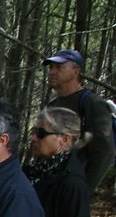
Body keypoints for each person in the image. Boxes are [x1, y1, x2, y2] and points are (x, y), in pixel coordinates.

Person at [44, 49, 115, 193]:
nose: (52, 71)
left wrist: (83, 191)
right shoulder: (52, 105)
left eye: (59, 67)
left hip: (72, 188)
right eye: (51, 67)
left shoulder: (91, 103)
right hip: (51, 186)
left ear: (76, 71)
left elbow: (105, 151)